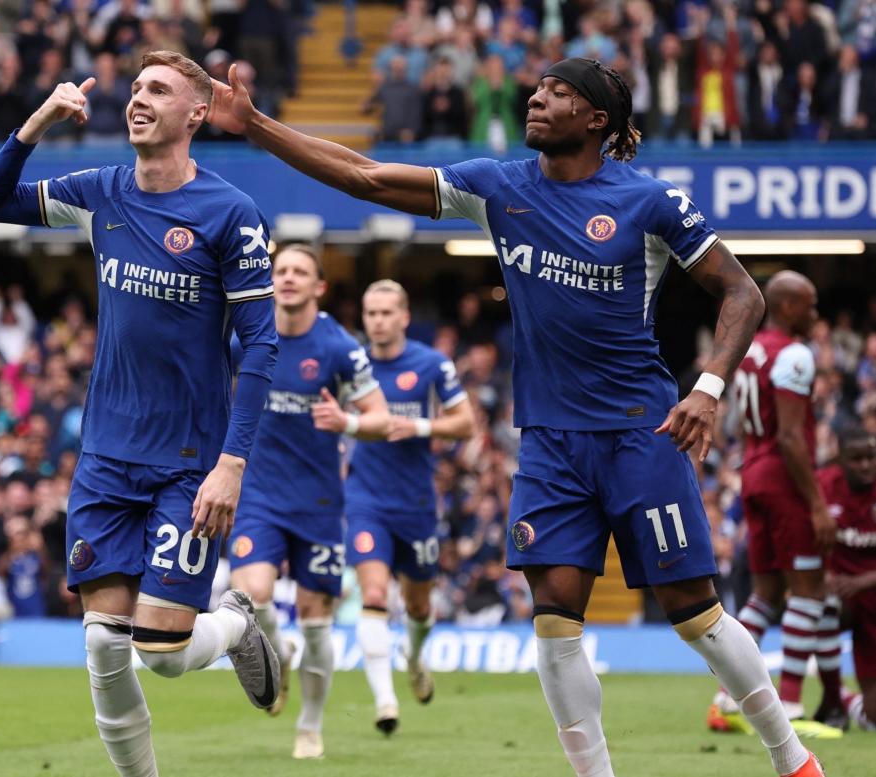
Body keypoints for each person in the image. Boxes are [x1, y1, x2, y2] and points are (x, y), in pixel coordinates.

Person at [206, 55, 821, 777]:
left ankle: (792, 759)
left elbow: (742, 293)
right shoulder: (498, 188)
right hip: (549, 443)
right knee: (554, 621)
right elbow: (363, 175)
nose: (536, 98)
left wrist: (708, 387)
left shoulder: (650, 200)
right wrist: (253, 125)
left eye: (557, 93)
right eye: (538, 88)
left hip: (639, 432)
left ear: (596, 120)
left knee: (694, 613)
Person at [0, 50, 281, 777]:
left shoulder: (229, 213)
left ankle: (233, 626)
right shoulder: (102, 190)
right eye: (135, 88)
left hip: (188, 461)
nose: (139, 99)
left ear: (195, 114)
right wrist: (40, 120)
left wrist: (230, 465)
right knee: (104, 645)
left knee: (162, 652)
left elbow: (259, 347)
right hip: (107, 458)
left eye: (158, 90)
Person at [229, 244, 388, 759]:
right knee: (249, 595)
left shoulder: (339, 347)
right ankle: (277, 651)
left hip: (319, 501)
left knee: (317, 618)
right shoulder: (247, 335)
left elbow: (381, 418)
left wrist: (349, 423)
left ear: (319, 286)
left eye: (301, 271)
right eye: (282, 271)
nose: (290, 278)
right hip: (258, 494)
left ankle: (310, 726)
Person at [714, 272, 839, 733]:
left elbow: (746, 426)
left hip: (753, 472)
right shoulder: (795, 354)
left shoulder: (751, 350)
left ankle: (727, 693)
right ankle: (789, 701)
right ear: (787, 307)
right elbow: (790, 435)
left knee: (764, 594)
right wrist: (818, 504)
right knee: (806, 590)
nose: (814, 314)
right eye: (809, 305)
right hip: (784, 478)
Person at [348, 279, 474, 735]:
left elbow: (466, 423)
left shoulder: (430, 364)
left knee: (419, 607)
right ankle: (385, 702)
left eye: (386, 313)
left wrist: (418, 426)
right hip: (364, 499)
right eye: (370, 313)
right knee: (375, 594)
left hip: (417, 502)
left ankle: (416, 658)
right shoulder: (349, 365)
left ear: (403, 317)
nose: (378, 321)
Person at [821, 427, 876, 731]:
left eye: (870, 457)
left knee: (873, 717)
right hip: (840, 600)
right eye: (857, 459)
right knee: (818, 604)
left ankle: (846, 699)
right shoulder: (824, 487)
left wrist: (862, 581)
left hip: (872, 598)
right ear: (841, 458)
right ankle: (830, 701)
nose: (866, 465)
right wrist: (824, 574)